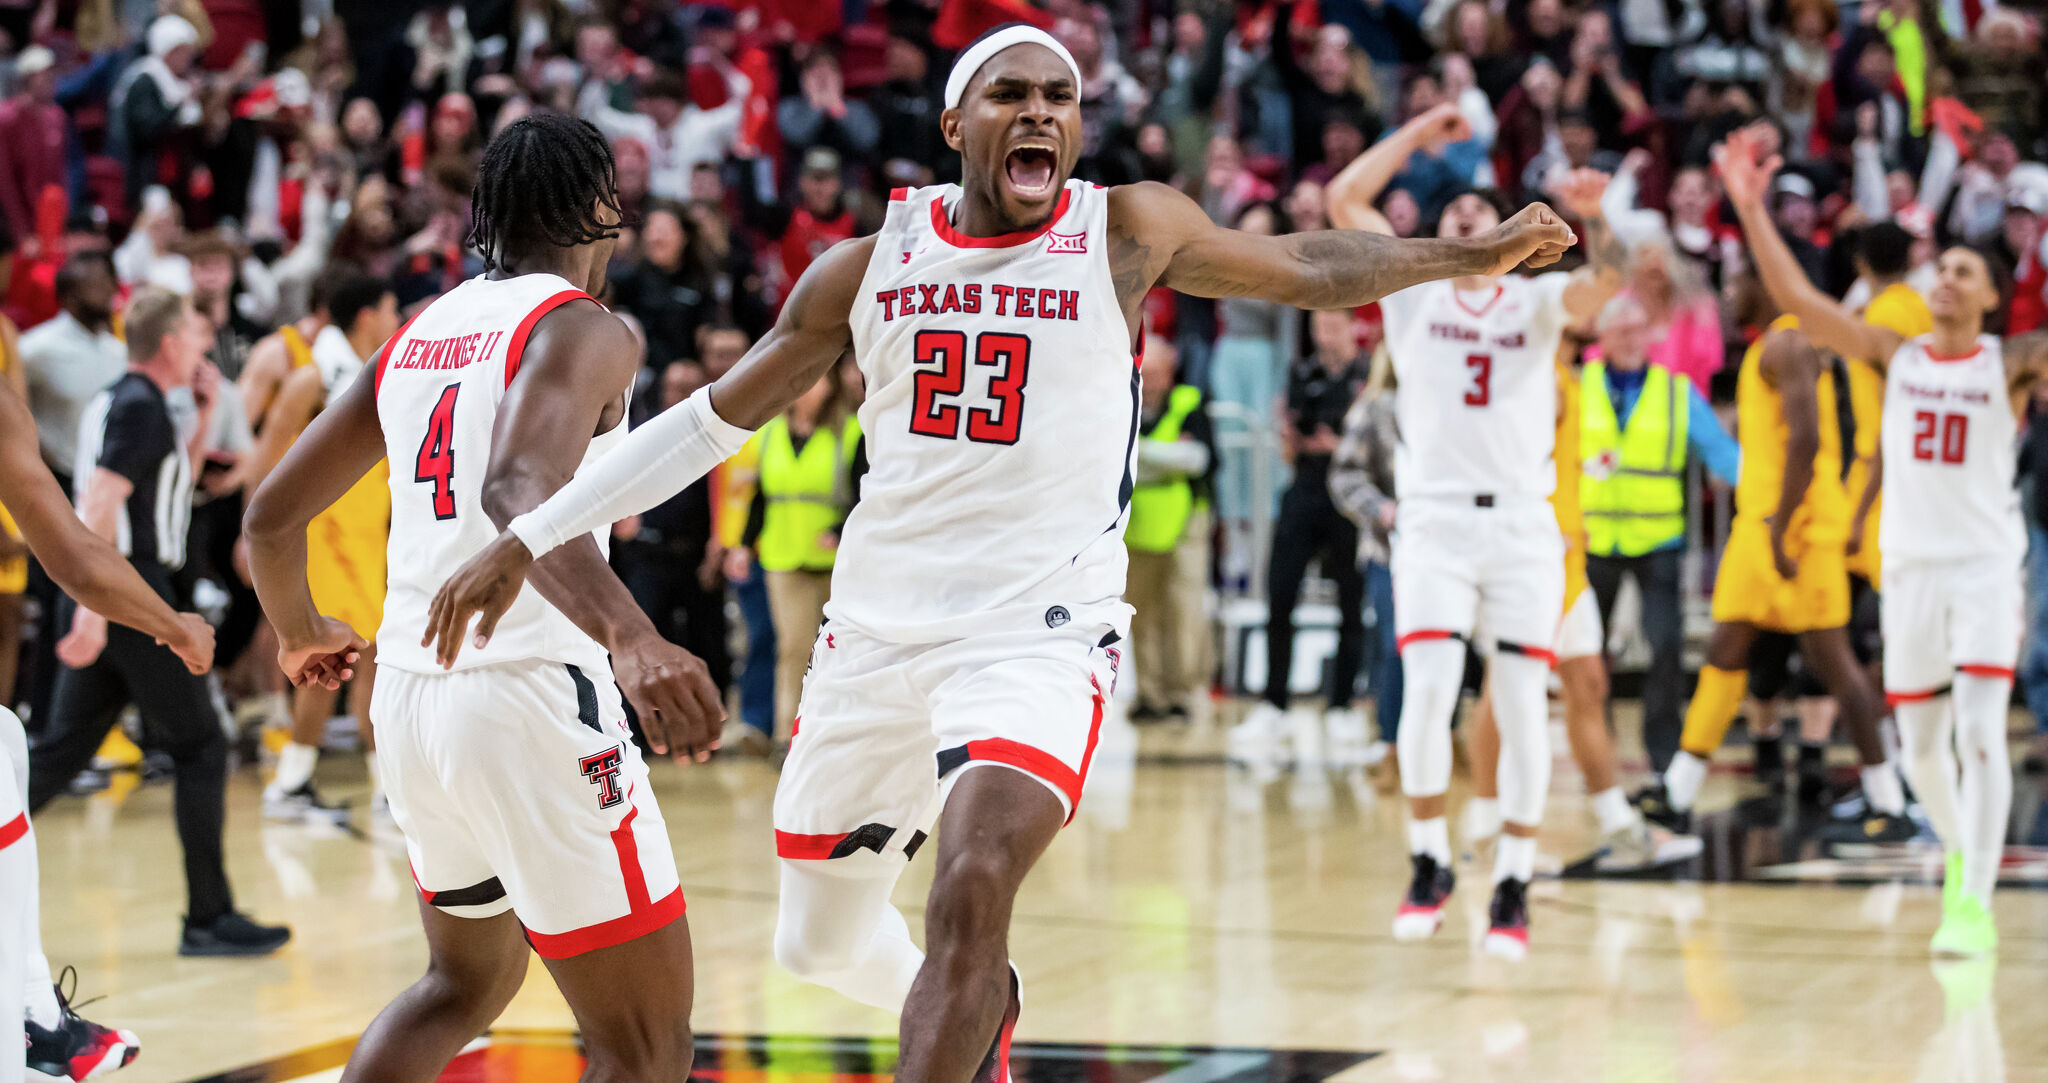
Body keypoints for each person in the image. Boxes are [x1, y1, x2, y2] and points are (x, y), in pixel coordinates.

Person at [425, 24, 1574, 1078]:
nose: (1040, 115)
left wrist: (1462, 259)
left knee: (972, 881)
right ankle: (988, 1006)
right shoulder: (867, 261)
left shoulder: (1122, 230)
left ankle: (969, 998)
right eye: (1010, 96)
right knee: (816, 943)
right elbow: (712, 420)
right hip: (873, 631)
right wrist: (531, 536)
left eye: (1059, 99)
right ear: (953, 125)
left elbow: (1307, 267)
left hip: (1040, 629)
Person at [244, 114, 718, 1082]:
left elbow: (269, 517)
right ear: (599, 209)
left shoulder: (420, 330)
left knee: (460, 988)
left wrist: (299, 633)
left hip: (413, 702)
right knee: (648, 1048)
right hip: (533, 694)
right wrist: (631, 636)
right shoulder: (583, 328)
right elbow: (518, 494)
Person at [1716, 125, 2048, 955]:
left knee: (1977, 731)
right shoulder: (1893, 354)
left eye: (1964, 272)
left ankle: (1968, 903)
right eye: (1943, 270)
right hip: (1908, 570)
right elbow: (1798, 294)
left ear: (1990, 300)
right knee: (1924, 747)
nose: (1945, 281)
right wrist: (1751, 209)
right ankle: (1962, 863)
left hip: (1980, 567)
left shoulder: (2011, 362)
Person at [1329, 92, 1622, 956]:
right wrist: (1421, 131)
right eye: (1450, 208)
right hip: (1436, 523)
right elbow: (1347, 199)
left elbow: (1604, 285)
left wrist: (1596, 221)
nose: (1464, 214)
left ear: (1509, 236)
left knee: (1526, 702)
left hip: (1525, 528)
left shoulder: (1535, 305)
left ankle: (1514, 879)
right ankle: (1427, 858)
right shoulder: (1414, 294)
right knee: (1427, 694)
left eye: (1478, 209)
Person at [27, 290, 291, 958]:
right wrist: (92, 608)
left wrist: (203, 416)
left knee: (60, 750)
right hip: (130, 589)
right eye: (198, 334)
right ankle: (208, 917)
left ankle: (210, 913)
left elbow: (175, 490)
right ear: (171, 342)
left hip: (125, 586)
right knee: (202, 746)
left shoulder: (131, 402)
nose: (205, 345)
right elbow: (99, 504)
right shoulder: (141, 409)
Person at [1, 372, 214, 1083]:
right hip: (127, 584)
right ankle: (27, 1020)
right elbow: (84, 554)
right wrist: (175, 625)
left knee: (16, 743)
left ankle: (36, 1014)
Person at [1465, 299, 1720, 873]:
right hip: (1529, 553)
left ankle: (1617, 823)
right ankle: (1485, 825)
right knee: (1505, 687)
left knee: (1588, 683)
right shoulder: (1533, 380)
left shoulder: (1567, 377)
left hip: (1570, 556)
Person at [243, 273, 400, 822]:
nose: (395, 316)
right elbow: (266, 460)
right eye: (389, 306)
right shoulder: (312, 378)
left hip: (365, 536)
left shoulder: (375, 377)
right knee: (334, 655)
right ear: (366, 316)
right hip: (322, 536)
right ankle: (302, 782)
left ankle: (328, 782)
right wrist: (251, 538)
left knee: (367, 659)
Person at [1580, 293, 1741, 777]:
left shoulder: (1676, 391)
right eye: (1622, 330)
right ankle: (1595, 745)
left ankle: (1664, 752)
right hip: (1593, 541)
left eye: (1639, 330)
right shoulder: (1576, 384)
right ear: (1603, 337)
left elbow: (1722, 452)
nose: (1632, 340)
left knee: (1666, 646)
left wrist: (1763, 490)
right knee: (1586, 652)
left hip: (1658, 542)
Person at [1231, 307, 1370, 762]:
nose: (1324, 333)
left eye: (1333, 324)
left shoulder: (1367, 375)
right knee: (1280, 596)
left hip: (1350, 497)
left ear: (1352, 326)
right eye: (1318, 326)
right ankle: (1274, 704)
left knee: (1352, 602)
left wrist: (1340, 444)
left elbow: (1372, 440)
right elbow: (1291, 441)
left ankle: (1342, 705)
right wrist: (1294, 438)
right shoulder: (1301, 371)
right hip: (1305, 488)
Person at [732, 364, 862, 744]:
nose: (807, 388)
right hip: (782, 555)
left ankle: (837, 735)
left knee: (841, 650)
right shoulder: (770, 433)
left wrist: (840, 531)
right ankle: (789, 737)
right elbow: (760, 497)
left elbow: (866, 492)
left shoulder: (852, 432)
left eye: (816, 379)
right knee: (793, 647)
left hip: (839, 561)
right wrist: (743, 545)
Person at [1124, 333, 1214, 724]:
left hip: (1186, 525)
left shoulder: (1190, 404)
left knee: (1184, 612)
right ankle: (1149, 695)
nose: (1153, 379)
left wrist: (1143, 456)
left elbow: (1199, 460)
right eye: (1148, 371)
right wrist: (1169, 455)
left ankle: (1182, 694)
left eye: (1159, 372)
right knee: (1141, 615)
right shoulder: (1125, 402)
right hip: (1138, 527)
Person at [1328, 347, 1401, 764]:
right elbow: (1344, 476)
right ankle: (1390, 741)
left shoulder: (1443, 402)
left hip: (1443, 547)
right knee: (1395, 644)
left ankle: (1442, 740)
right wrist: (1379, 508)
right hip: (1386, 549)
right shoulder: (1372, 408)